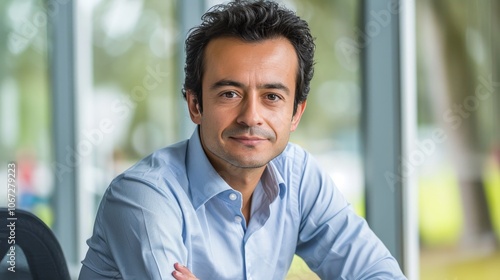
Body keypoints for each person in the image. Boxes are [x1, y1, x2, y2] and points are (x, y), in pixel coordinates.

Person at [79, 1, 407, 279]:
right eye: (230, 93)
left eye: (272, 96)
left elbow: (379, 273)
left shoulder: (299, 176)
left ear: (296, 113)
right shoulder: (144, 197)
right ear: (195, 104)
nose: (251, 116)